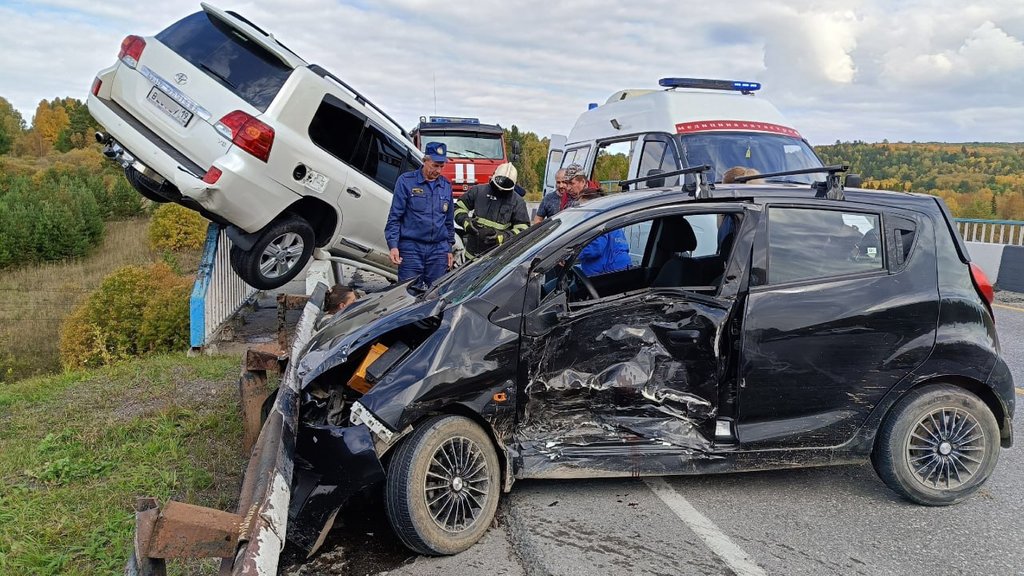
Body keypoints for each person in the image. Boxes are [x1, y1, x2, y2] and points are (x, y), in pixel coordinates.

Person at [385, 142, 455, 288]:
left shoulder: (446, 186)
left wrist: (449, 249)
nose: (438, 171)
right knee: (409, 294)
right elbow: (395, 217)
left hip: (438, 250)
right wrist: (393, 245)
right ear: (425, 161)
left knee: (436, 294)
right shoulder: (406, 182)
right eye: (435, 165)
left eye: (442, 166)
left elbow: (448, 222)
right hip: (411, 249)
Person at [454, 162, 530, 259]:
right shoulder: (478, 191)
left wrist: (503, 237)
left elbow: (523, 229)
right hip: (471, 257)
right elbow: (458, 207)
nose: (499, 190)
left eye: (504, 190)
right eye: (497, 187)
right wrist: (465, 222)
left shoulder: (517, 202)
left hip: (498, 260)